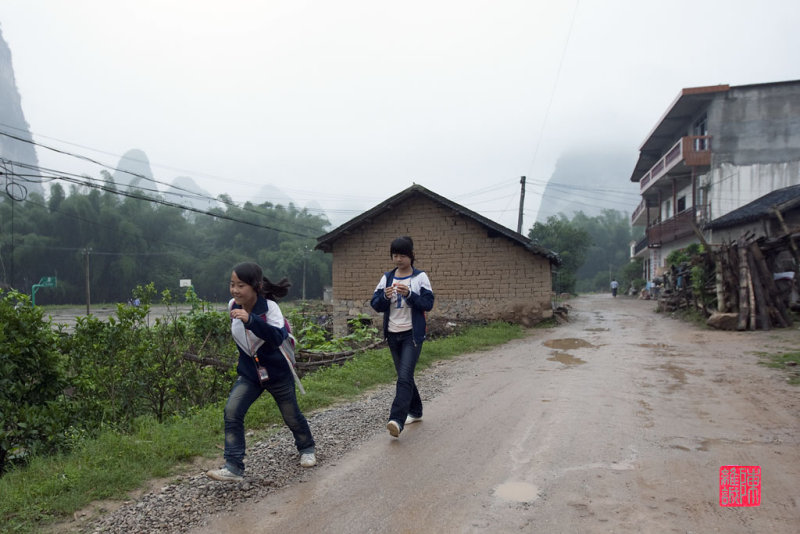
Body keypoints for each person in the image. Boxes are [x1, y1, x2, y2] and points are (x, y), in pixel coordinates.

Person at [207, 262, 316, 482]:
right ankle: (233, 466)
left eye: (241, 285)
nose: (235, 290)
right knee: (232, 411)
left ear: (255, 286)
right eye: (232, 284)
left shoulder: (270, 308)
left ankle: (307, 448)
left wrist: (252, 321)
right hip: (250, 374)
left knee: (291, 415)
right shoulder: (232, 306)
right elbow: (242, 343)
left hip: (277, 373)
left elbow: (277, 337)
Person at [370, 236, 435, 438]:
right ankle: (415, 411)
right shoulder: (387, 278)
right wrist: (385, 297)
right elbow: (375, 304)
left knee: (405, 376)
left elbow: (427, 304)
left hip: (412, 336)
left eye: (402, 255)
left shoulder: (420, 277)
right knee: (404, 377)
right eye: (395, 255)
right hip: (393, 334)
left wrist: (409, 294)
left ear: (411, 256)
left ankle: (396, 420)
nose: (398, 259)